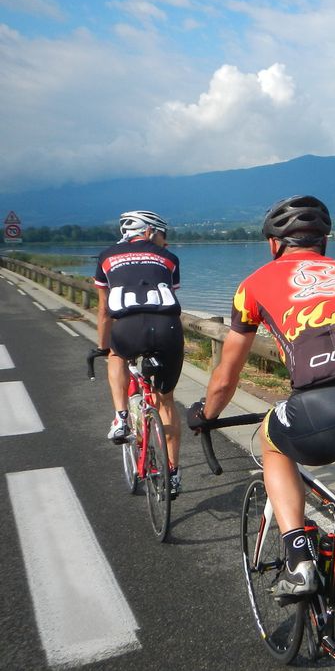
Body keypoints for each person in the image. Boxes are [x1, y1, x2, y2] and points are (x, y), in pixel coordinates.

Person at [188, 195, 335, 651]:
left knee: (273, 440)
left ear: (273, 245)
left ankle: (297, 552)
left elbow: (226, 375)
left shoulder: (252, 284)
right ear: (324, 242)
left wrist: (206, 415)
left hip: (320, 409)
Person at [95, 210, 185, 498]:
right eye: (163, 234)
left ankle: (121, 417)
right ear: (149, 232)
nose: (165, 241)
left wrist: (102, 345)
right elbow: (167, 294)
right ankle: (172, 474)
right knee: (166, 401)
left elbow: (104, 310)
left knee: (115, 355)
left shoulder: (107, 257)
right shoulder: (170, 259)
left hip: (127, 328)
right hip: (167, 327)